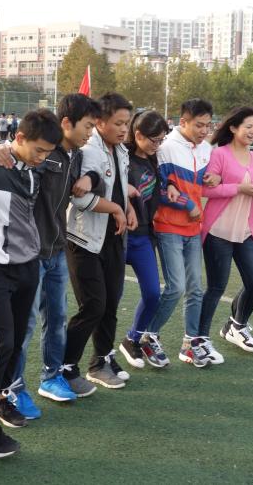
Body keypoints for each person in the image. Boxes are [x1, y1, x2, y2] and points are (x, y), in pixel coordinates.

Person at [0, 93, 104, 408]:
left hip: (57, 249)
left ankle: (52, 377)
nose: (90, 133)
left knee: (57, 316)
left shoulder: (73, 156)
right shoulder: (41, 155)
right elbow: (11, 156)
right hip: (30, 254)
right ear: (67, 123)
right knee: (23, 325)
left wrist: (90, 178)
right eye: (87, 126)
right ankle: (13, 388)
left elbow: (97, 181)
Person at [0, 110, 61, 457]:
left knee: (16, 341)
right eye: (38, 150)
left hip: (28, 267)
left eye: (47, 153)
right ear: (19, 138)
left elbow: (70, 159)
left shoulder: (36, 170)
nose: (42, 158)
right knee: (0, 344)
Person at [62, 93, 137, 389]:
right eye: (118, 123)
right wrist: (116, 208)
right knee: (93, 305)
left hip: (113, 237)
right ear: (100, 122)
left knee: (111, 303)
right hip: (84, 239)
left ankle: (101, 360)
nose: (124, 129)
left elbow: (118, 185)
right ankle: (66, 366)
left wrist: (127, 208)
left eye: (126, 123)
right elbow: (80, 199)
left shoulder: (120, 149)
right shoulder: (88, 150)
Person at [198, 107, 253, 354]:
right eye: (248, 126)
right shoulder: (219, 154)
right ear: (233, 128)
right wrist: (239, 188)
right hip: (218, 232)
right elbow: (205, 189)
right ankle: (199, 338)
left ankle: (236, 325)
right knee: (216, 287)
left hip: (247, 233)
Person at [146, 99, 219, 368]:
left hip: (193, 229)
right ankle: (148, 336)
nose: (204, 131)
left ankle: (190, 344)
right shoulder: (165, 148)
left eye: (208, 125)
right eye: (199, 125)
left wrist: (216, 178)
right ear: (183, 122)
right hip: (168, 227)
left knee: (196, 289)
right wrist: (188, 204)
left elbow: (206, 182)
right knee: (176, 287)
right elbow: (158, 189)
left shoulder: (206, 149)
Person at [117, 110, 170, 369]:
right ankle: (101, 357)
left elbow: (159, 190)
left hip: (144, 237)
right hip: (117, 236)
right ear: (138, 134)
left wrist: (171, 188)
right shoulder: (120, 156)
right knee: (110, 300)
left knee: (152, 293)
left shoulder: (154, 160)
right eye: (153, 139)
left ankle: (133, 339)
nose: (157, 145)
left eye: (161, 140)